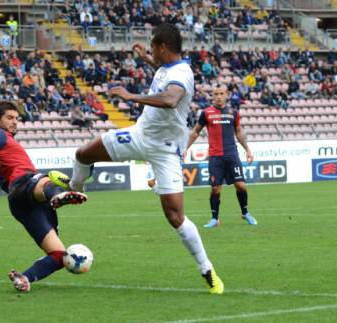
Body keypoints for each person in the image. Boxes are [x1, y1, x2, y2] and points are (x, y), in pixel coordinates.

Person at [50, 23, 224, 294]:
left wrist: (131, 96)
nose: (152, 54)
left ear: (163, 47)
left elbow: (170, 98)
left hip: (166, 150)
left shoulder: (181, 73)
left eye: (154, 49)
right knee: (83, 154)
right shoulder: (168, 66)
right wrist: (145, 57)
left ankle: (207, 269)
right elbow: (162, 75)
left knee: (175, 216)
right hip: (140, 136)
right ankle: (75, 189)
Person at [0, 100, 87, 293]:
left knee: (59, 256)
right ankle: (58, 194)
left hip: (21, 204)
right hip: (25, 185)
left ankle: (24, 278)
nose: (15, 122)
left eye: (17, 118)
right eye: (9, 118)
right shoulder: (1, 136)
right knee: (42, 179)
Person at [184, 84, 258, 229]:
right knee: (215, 189)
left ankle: (245, 212)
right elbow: (195, 132)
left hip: (232, 154)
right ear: (212, 95)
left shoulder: (234, 112)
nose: (218, 96)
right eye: (216, 94)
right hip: (215, 157)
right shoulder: (206, 113)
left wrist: (248, 150)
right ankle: (214, 218)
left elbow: (239, 132)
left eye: (221, 93)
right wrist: (186, 148)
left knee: (241, 185)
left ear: (226, 94)